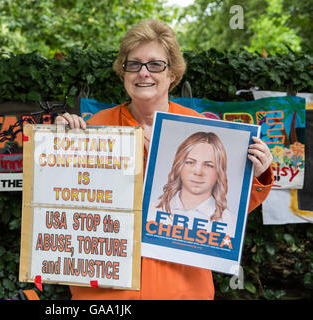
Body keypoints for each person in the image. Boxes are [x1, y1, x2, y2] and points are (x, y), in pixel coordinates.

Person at [55, 18, 273, 300]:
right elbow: (62, 200)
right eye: (133, 64)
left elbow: (228, 208)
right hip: (108, 293)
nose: (143, 73)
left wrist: (257, 172)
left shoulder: (202, 128)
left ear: (172, 75)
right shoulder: (97, 126)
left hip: (182, 287)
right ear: (123, 73)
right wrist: (57, 144)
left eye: (155, 64)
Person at [149, 131, 236, 238]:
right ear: (179, 165)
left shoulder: (231, 222)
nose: (198, 172)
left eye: (208, 165)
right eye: (190, 162)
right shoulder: (151, 210)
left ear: (219, 172)